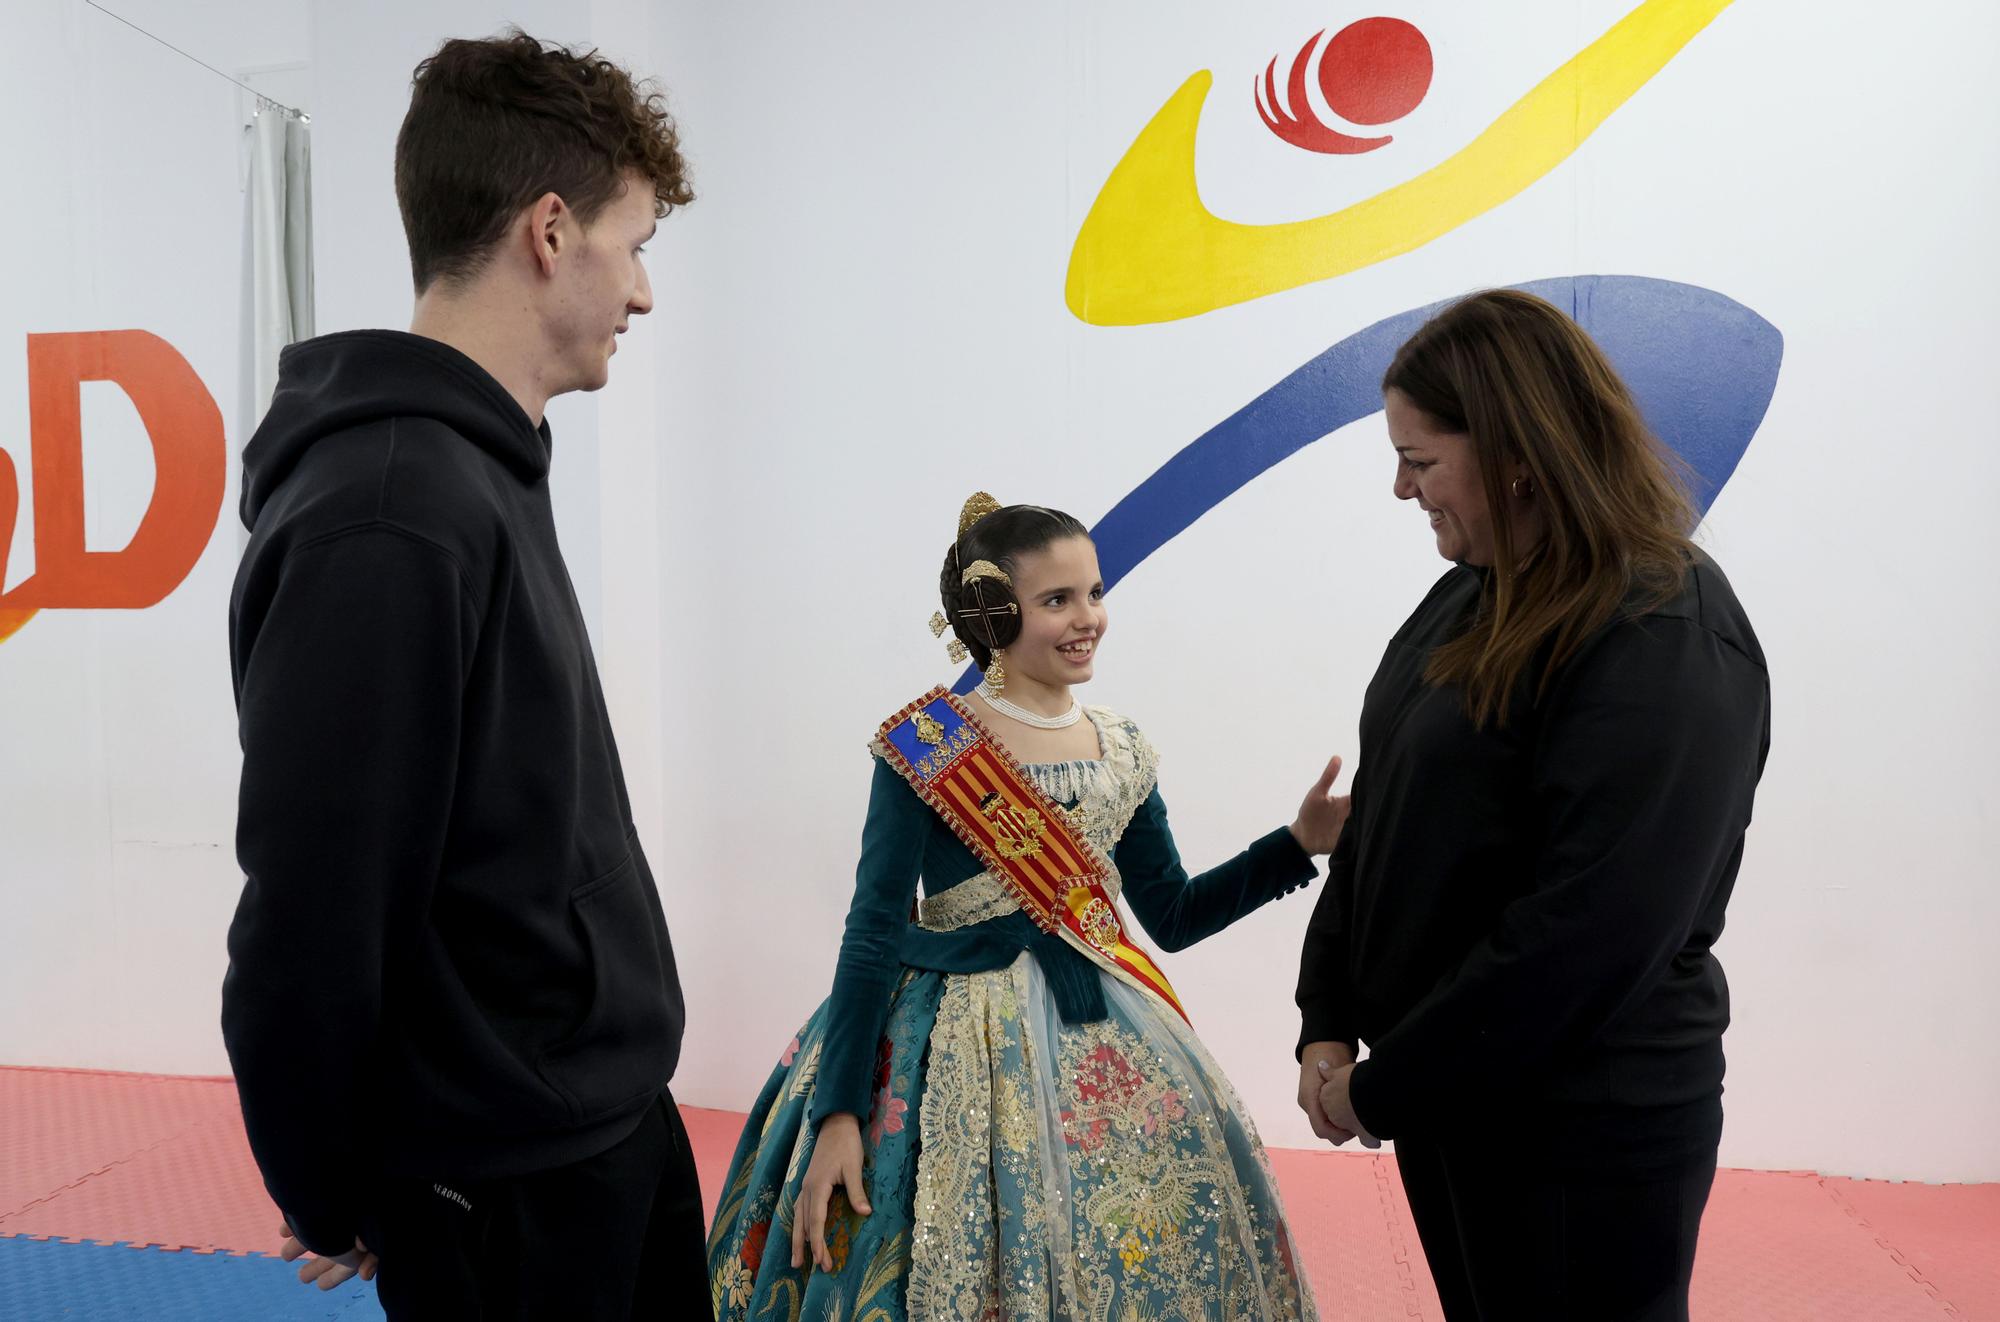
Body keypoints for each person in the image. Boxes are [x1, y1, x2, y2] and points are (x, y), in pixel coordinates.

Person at [222, 30, 708, 1320]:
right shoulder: (387, 511)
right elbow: (313, 907)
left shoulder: (480, 469)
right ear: (551, 231)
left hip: (594, 1131)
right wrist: (328, 1181)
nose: (645, 293)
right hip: (504, 1183)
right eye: (636, 241)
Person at [706, 495, 1342, 1320]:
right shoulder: (927, 744)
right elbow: (871, 933)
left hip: (1108, 1033)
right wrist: (838, 1114)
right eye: (1058, 600)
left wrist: (1295, 844)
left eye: (1096, 593)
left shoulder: (1121, 745)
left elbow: (1174, 913)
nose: (1090, 619)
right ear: (991, 614)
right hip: (943, 1042)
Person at [1295, 289, 1771, 1321]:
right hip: (1456, 1101)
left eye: (1419, 461)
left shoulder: (1659, 621)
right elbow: (1378, 821)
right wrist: (1325, 1018)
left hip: (1581, 1127)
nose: (1397, 486)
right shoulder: (1477, 589)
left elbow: (1591, 928)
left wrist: (1380, 1088)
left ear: (1514, 451)